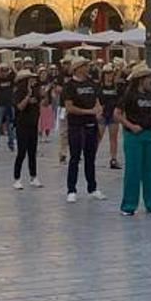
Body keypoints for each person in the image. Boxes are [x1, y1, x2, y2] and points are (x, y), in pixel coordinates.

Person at [117, 63, 151, 216]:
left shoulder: (149, 95)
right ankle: (129, 205)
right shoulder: (128, 95)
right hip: (134, 136)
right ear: (141, 79)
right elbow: (117, 114)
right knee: (133, 171)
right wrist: (131, 125)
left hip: (149, 133)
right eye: (148, 77)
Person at [63, 57, 105, 202]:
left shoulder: (92, 84)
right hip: (76, 125)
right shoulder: (69, 86)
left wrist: (98, 112)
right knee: (75, 157)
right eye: (85, 65)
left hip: (91, 125)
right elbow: (69, 107)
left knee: (90, 157)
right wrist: (89, 112)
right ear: (78, 68)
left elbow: (98, 102)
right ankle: (71, 189)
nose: (88, 68)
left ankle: (92, 188)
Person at [11, 69, 43, 189]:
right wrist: (28, 97)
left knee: (32, 152)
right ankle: (17, 178)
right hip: (22, 125)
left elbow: (40, 102)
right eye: (29, 78)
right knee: (21, 152)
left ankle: (33, 176)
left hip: (33, 124)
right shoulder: (18, 92)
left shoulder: (35, 90)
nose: (32, 80)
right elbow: (20, 107)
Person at [99, 65, 122, 170]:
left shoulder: (116, 87)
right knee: (98, 137)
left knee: (113, 138)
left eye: (111, 74)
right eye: (107, 74)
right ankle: (91, 156)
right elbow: (96, 100)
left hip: (112, 114)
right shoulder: (99, 87)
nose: (109, 76)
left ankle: (113, 159)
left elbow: (120, 100)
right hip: (102, 114)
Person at [0, 64, 16, 153]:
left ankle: (11, 144)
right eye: (3, 71)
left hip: (10, 104)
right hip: (0, 105)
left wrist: (11, 67)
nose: (4, 73)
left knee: (10, 125)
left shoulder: (11, 78)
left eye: (6, 71)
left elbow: (17, 77)